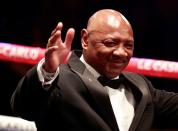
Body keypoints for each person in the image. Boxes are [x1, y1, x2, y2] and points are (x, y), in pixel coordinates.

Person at [10, 9, 178, 131]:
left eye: (128, 45)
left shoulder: (140, 86)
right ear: (85, 39)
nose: (121, 52)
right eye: (111, 43)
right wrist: (47, 70)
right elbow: (23, 107)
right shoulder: (59, 80)